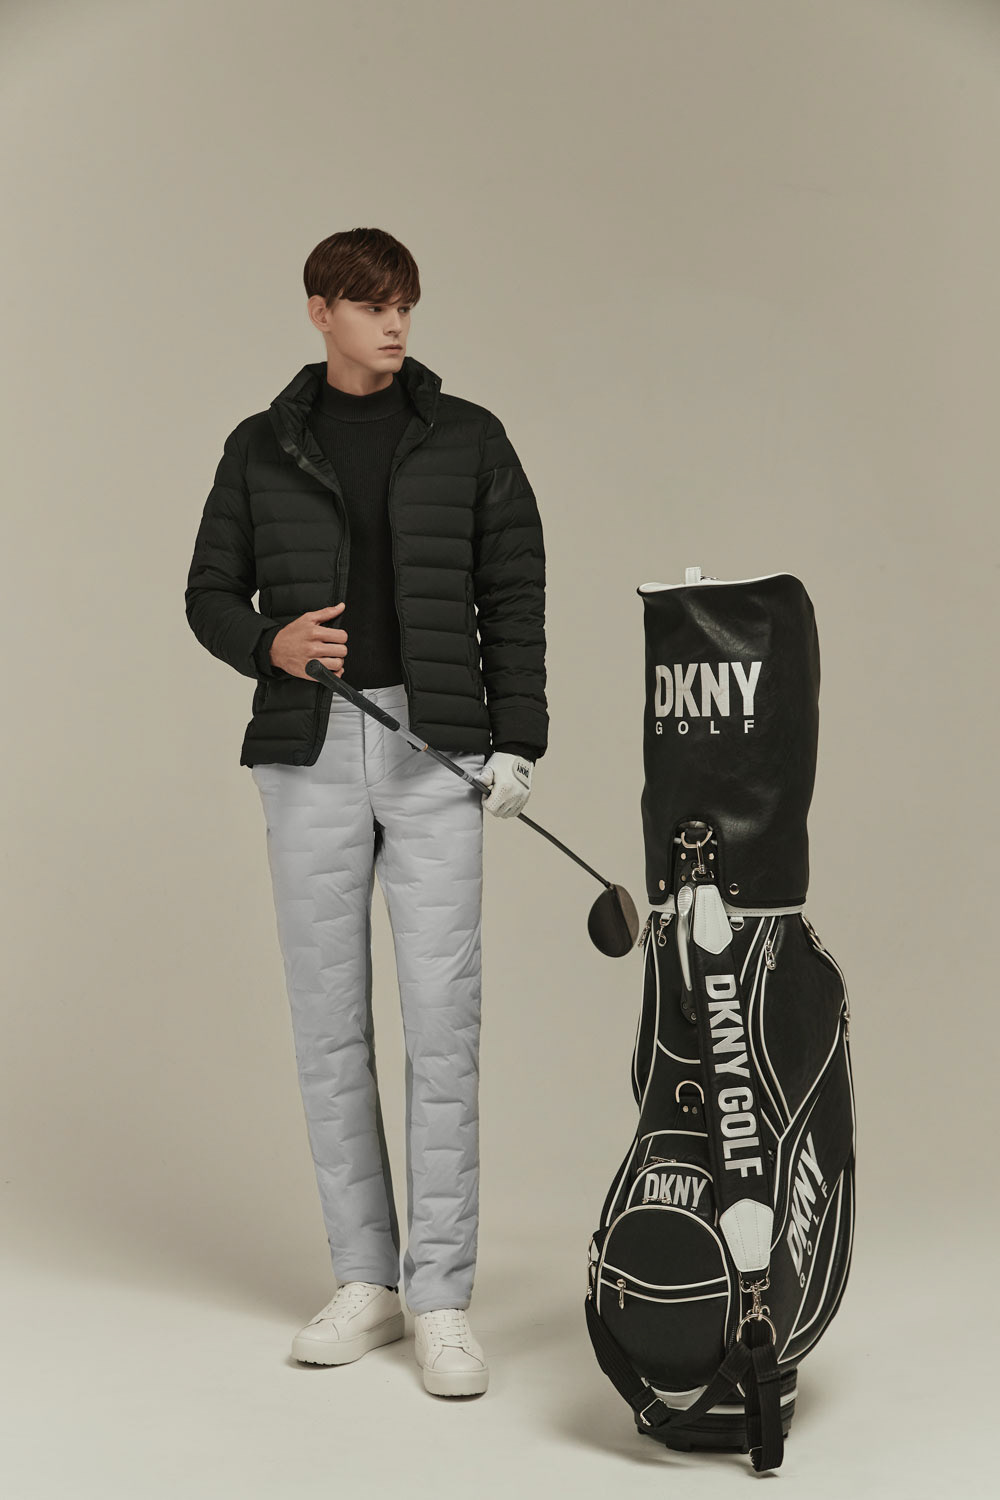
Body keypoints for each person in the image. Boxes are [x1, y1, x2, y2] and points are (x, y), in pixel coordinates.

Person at [184, 227, 548, 1397]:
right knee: (328, 1024)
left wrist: (516, 741)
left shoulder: (470, 438)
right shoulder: (260, 445)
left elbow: (514, 591)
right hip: (308, 749)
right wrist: (269, 643)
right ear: (319, 310)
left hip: (438, 748)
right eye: (371, 304)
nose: (394, 323)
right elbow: (207, 590)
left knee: (443, 1022)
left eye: (405, 304)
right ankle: (366, 1280)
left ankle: (439, 1298)